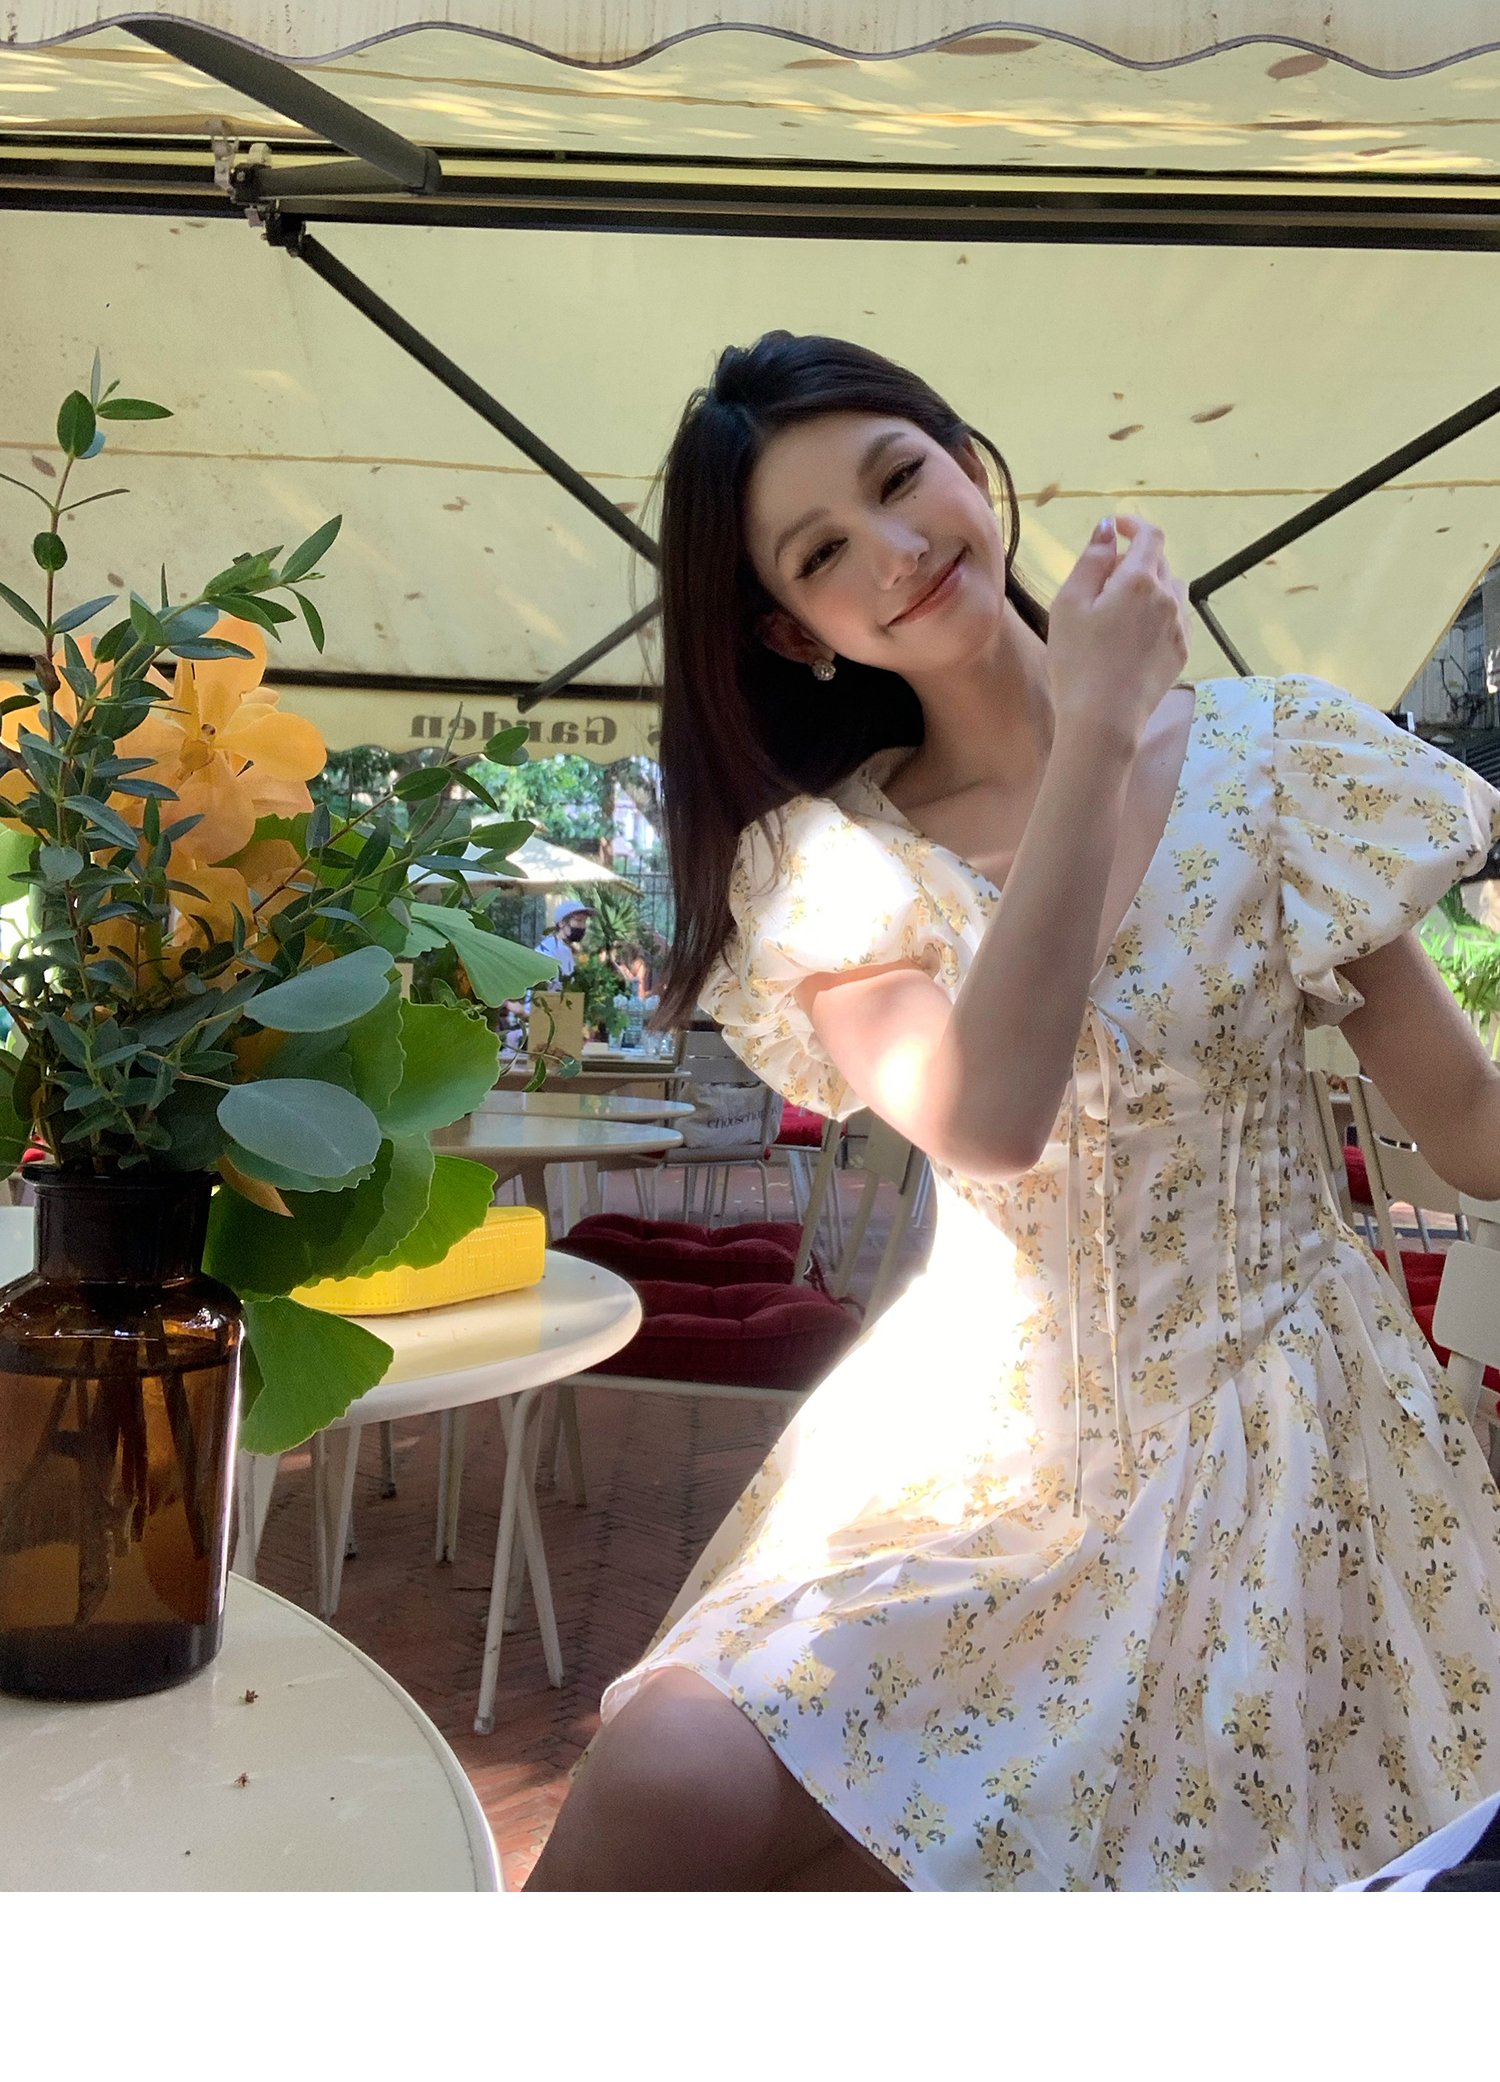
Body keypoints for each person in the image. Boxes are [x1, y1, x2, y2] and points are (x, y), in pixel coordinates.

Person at [528, 331, 1500, 1893]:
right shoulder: (830, 863)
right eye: (821, 552)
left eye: (900, 478)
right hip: (971, 1448)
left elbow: (1469, 1126)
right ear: (794, 631)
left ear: (971, 466)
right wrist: (1097, 730)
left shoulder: (1276, 759)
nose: (893, 549)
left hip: (1288, 1445)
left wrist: (1110, 725)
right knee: (669, 1768)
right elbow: (984, 1118)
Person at [534, 898, 593, 988]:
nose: (583, 926)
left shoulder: (566, 949)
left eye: (584, 921)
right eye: (578, 920)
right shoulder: (548, 949)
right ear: (562, 923)